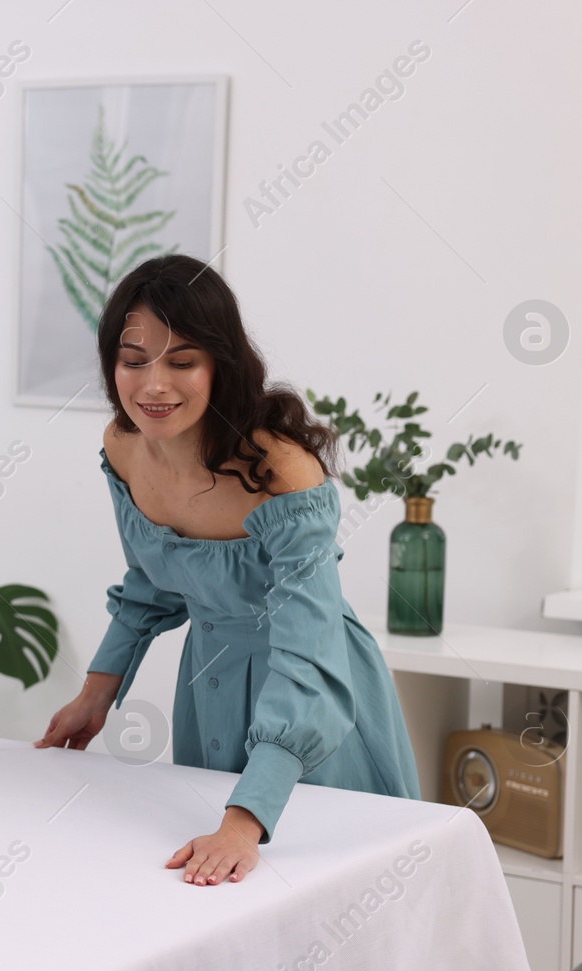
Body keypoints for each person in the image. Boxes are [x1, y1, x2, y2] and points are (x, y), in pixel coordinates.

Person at [34, 253, 420, 886]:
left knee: (333, 900)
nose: (154, 386)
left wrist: (245, 820)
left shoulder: (281, 470)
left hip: (313, 698)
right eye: (134, 361)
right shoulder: (124, 447)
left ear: (222, 364)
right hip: (207, 687)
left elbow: (306, 652)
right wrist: (96, 694)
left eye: (182, 362)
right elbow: (151, 583)